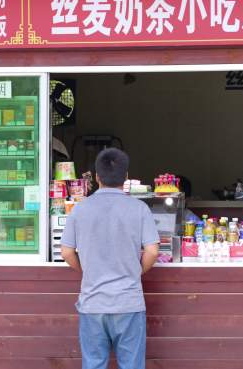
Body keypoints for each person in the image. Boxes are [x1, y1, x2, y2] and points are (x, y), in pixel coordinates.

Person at [61, 148, 160, 369]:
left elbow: (67, 252)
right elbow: (152, 251)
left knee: (94, 364)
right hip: (128, 303)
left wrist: (88, 271)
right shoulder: (139, 208)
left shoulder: (80, 209)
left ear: (96, 176)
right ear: (126, 177)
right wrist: (135, 271)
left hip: (92, 303)